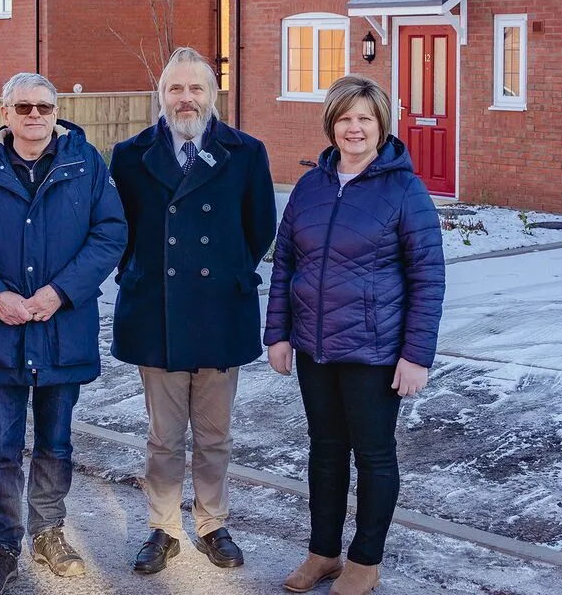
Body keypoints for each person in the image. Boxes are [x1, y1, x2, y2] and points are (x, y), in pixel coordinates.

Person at [264, 74, 445, 595]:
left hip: (376, 351)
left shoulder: (404, 190)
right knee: (324, 450)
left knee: (373, 455)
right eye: (345, 118)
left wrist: (416, 355)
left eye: (365, 118)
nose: (354, 128)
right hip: (314, 347)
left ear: (381, 124)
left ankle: (365, 561)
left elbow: (428, 277)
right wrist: (278, 334)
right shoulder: (311, 187)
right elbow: (285, 264)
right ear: (331, 124)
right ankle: (323, 553)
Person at [0, 72, 127, 595]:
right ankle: (2, 546)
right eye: (23, 107)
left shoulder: (86, 164)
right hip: (0, 331)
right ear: (4, 113)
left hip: (61, 326)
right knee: (0, 449)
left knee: (55, 442)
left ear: (56, 113)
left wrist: (60, 292)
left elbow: (110, 233)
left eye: (44, 108)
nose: (34, 116)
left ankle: (48, 533)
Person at [109, 46, 277, 575]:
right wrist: (140, 273)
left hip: (220, 311)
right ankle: (163, 527)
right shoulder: (130, 155)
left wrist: (228, 272)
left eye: (196, 88)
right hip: (155, 312)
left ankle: (212, 523)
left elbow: (260, 228)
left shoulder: (245, 153)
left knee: (214, 435)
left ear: (212, 95)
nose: (186, 98)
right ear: (161, 96)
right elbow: (119, 231)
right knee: (163, 436)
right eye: (175, 89)